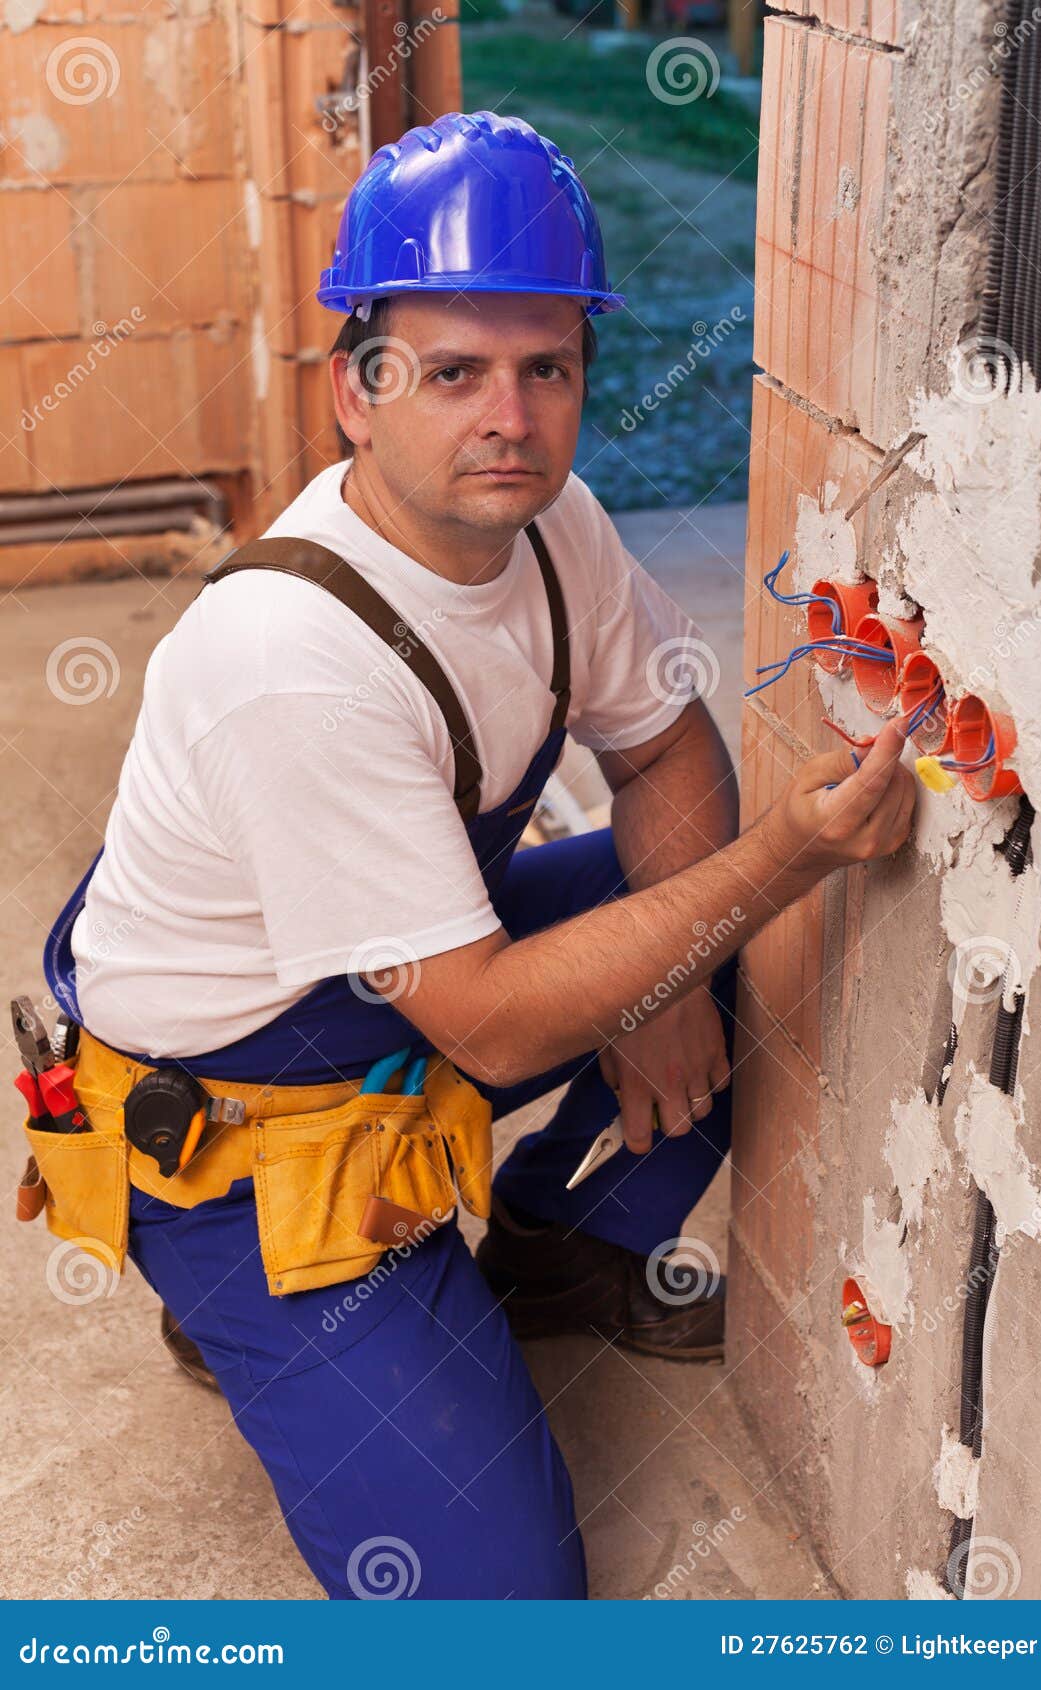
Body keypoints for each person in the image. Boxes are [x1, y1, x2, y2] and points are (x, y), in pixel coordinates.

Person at [39, 112, 914, 1600]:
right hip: (253, 1125)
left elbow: (656, 748)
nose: (510, 415)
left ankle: (562, 1246)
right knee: (498, 1610)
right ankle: (229, 1295)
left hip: (412, 971)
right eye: (453, 372)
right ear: (356, 396)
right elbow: (490, 1016)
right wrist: (757, 875)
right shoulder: (293, 660)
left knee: (736, 929)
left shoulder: (556, 526)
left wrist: (680, 969)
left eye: (547, 368)